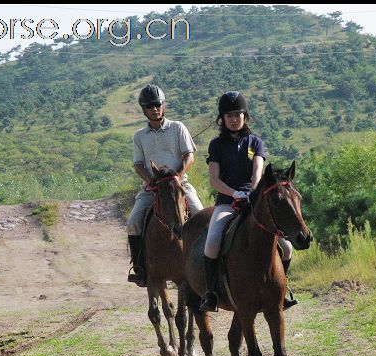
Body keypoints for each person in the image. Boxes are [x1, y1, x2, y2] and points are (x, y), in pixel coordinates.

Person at [199, 91, 297, 312]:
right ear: (222, 119)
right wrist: (234, 193)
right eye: (229, 115)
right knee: (212, 242)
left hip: (254, 203)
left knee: (287, 247)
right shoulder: (216, 145)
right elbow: (214, 180)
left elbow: (258, 173)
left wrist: (251, 194)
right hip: (226, 202)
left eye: (238, 114)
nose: (234, 119)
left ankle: (283, 289)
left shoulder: (256, 142)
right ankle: (212, 293)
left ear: (245, 115)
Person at [127, 84, 204, 286]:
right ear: (144, 109)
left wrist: (178, 175)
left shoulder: (178, 128)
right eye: (150, 106)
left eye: (158, 104)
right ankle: (139, 268)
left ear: (163, 105)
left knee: (200, 212)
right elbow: (138, 165)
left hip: (180, 184)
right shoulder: (139, 136)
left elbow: (189, 156)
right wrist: (152, 181)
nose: (154, 109)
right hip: (153, 188)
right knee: (134, 221)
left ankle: (205, 265)